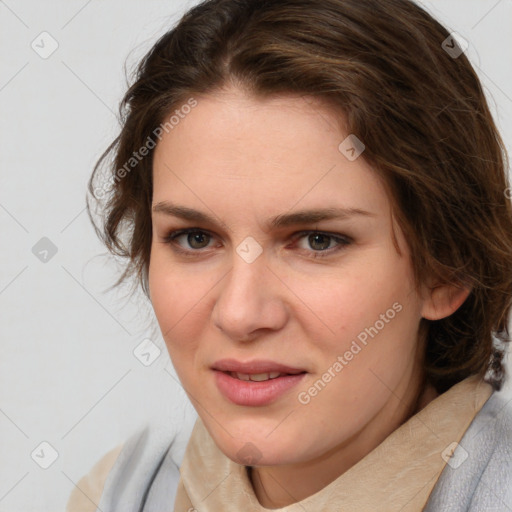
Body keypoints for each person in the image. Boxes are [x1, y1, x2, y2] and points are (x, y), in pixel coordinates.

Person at [67, 0, 512, 510]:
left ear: (447, 268)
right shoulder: (118, 496)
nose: (240, 314)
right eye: (195, 237)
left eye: (317, 241)